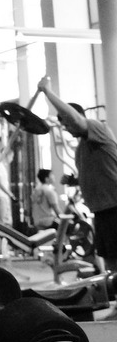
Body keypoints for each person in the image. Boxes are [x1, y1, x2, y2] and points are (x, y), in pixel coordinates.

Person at [38, 75, 117, 317]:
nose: (67, 128)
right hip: (101, 211)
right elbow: (99, 171)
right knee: (111, 262)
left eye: (67, 123)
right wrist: (74, 180)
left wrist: (48, 93)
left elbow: (76, 120)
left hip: (114, 207)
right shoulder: (83, 146)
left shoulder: (97, 128)